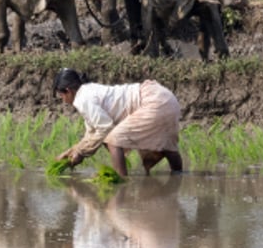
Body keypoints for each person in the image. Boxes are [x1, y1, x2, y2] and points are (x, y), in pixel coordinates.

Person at [53, 67, 183, 177]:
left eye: (62, 96)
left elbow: (105, 128)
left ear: (68, 91)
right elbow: (92, 133)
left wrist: (81, 152)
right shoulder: (88, 90)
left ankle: (121, 182)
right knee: (166, 146)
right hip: (165, 98)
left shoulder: (82, 99)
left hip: (152, 101)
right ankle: (179, 176)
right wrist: (72, 151)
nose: (64, 100)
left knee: (113, 140)